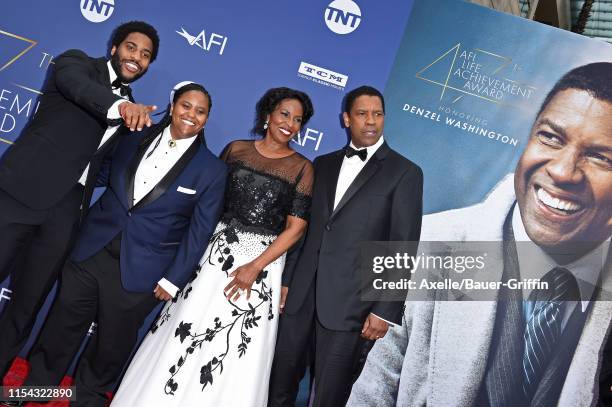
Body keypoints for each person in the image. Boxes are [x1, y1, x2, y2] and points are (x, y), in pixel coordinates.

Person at [348, 62, 612, 407]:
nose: (562, 172)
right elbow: (372, 387)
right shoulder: (426, 241)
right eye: (550, 137)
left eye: (601, 158)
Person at [4, 82, 227, 407]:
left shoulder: (212, 170)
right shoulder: (132, 137)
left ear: (206, 119)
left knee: (109, 349)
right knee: (59, 331)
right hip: (90, 251)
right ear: (172, 105)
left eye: (200, 111)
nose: (191, 114)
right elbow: (95, 173)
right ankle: (34, 390)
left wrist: (173, 279)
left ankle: (87, 401)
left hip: (144, 271)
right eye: (186, 106)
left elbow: (201, 231)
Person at [111, 87, 315, 407]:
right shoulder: (236, 150)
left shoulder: (303, 168)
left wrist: (255, 266)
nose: (290, 123)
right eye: (284, 114)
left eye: (298, 120)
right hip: (213, 258)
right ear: (267, 115)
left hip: (259, 269)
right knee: (185, 329)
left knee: (233, 350)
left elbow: (296, 229)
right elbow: (207, 205)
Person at [0, 20, 160, 380]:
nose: (137, 58)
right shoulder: (76, 64)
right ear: (115, 47)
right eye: (132, 48)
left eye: (146, 55)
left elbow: (106, 164)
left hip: (68, 211)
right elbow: (80, 89)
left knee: (26, 306)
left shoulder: (134, 111)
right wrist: (119, 108)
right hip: (18, 194)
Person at [269, 85, 424, 407]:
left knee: (328, 396)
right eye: (363, 114)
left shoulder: (405, 173)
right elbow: (305, 228)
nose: (371, 121)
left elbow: (403, 248)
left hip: (351, 306)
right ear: (346, 119)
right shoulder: (322, 164)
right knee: (278, 386)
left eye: (378, 114)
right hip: (300, 297)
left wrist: (385, 310)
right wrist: (287, 281)